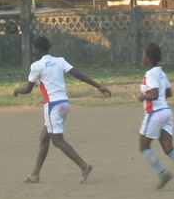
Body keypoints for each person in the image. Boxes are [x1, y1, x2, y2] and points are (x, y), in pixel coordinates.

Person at [12, 36, 110, 183]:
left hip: (52, 105)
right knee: (44, 137)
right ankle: (34, 174)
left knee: (57, 140)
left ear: (38, 50)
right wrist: (98, 86)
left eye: (34, 50)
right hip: (64, 103)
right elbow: (78, 75)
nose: (33, 52)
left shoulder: (36, 66)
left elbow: (28, 89)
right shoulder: (60, 61)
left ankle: (83, 166)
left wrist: (16, 90)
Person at [137, 42, 174, 190]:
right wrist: (156, 94)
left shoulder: (150, 74)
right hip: (166, 112)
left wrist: (143, 97)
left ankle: (163, 173)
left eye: (144, 55)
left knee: (143, 146)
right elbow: (168, 93)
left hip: (154, 113)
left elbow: (154, 94)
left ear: (148, 59)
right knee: (168, 148)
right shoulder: (161, 73)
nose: (142, 57)